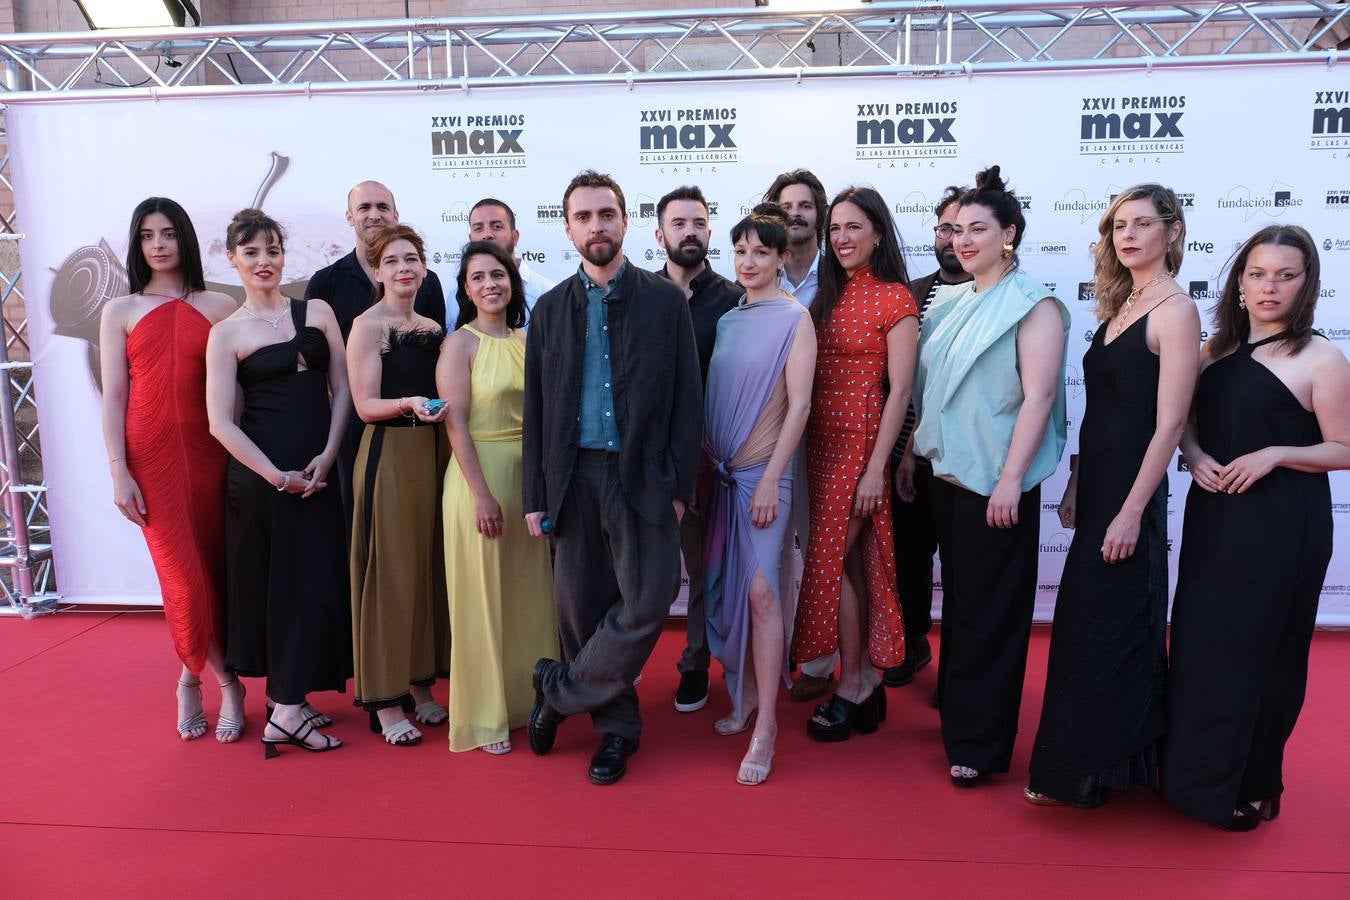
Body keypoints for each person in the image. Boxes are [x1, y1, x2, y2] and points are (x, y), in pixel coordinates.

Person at [1164, 225, 1350, 831]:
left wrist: (1275, 453)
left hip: (1282, 523)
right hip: (1214, 515)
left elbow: (1345, 447)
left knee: (1263, 652)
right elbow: (1185, 426)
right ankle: (1191, 777)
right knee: (1200, 643)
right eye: (1258, 273)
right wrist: (1192, 455)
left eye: (1286, 275)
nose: (1270, 286)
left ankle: (1254, 782)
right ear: (1239, 282)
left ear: (1307, 284)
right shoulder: (1216, 349)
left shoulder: (1321, 357)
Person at [523, 170, 702, 785]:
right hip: (572, 480)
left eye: (607, 214)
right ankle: (616, 730)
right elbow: (539, 412)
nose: (596, 226)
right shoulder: (547, 310)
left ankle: (557, 691)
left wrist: (680, 487)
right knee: (581, 610)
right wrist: (535, 495)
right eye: (584, 217)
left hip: (643, 478)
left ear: (626, 222)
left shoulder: (664, 301)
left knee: (649, 600)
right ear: (568, 227)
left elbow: (687, 400)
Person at [1026, 184, 1199, 808]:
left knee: (1118, 627)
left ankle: (1101, 770)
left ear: (1173, 232)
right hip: (1098, 486)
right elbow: (1103, 411)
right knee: (1083, 626)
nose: (1127, 236)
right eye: (1119, 225)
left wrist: (1131, 512)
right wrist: (1076, 479)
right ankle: (1081, 766)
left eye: (1143, 224)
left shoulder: (1176, 311)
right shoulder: (1121, 304)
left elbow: (1170, 422)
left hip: (1132, 495)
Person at [913, 165, 1069, 787]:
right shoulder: (957, 299)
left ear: (1010, 234)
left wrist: (1010, 480)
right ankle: (962, 716)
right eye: (957, 231)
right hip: (947, 479)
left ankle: (981, 744)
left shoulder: (1034, 304)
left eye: (980, 229)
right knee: (964, 609)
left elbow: (1038, 397)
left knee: (990, 616)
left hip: (995, 488)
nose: (964, 240)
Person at [205, 208, 351, 757]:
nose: (264, 262)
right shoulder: (226, 334)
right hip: (263, 482)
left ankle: (291, 698)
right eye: (252, 253)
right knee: (280, 589)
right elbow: (220, 422)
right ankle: (285, 713)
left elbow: (342, 390)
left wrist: (330, 456)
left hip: (318, 471)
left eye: (272, 250)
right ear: (233, 259)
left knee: (317, 584)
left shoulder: (316, 310)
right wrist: (276, 476)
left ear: (284, 255)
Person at [99, 197, 243, 743]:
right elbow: (114, 397)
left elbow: (243, 392)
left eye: (167, 233)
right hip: (150, 458)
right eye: (146, 235)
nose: (158, 244)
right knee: (183, 579)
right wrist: (119, 470)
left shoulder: (222, 307)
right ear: (137, 245)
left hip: (215, 455)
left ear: (184, 238)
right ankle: (224, 682)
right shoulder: (120, 310)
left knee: (216, 573)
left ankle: (189, 672)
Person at [792, 186, 919, 742]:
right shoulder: (827, 295)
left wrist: (877, 470)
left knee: (833, 559)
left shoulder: (897, 299)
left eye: (853, 228)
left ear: (879, 234)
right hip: (820, 446)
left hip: (861, 448)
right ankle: (861, 680)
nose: (842, 238)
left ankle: (856, 680)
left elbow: (901, 392)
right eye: (835, 229)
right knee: (848, 567)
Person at [704, 205, 816, 784]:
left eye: (762, 253)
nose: (749, 262)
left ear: (782, 258)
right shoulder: (728, 319)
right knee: (730, 593)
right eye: (741, 251)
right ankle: (742, 696)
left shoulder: (796, 320)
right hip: (722, 476)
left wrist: (772, 478)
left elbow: (798, 406)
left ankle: (766, 724)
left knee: (764, 594)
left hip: (765, 479)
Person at [438, 241, 558, 755]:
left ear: (513, 281)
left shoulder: (528, 341)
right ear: (466, 289)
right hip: (477, 480)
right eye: (479, 277)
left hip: (527, 482)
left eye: (499, 274)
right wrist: (480, 494)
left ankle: (523, 702)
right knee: (482, 600)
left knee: (530, 599)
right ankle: (486, 717)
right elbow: (455, 423)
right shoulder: (458, 345)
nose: (491, 284)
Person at [346, 223, 451, 748]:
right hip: (388, 453)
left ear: (425, 268)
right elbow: (365, 406)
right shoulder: (367, 326)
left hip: (431, 455)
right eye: (391, 261)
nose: (403, 268)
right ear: (377, 271)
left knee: (428, 568)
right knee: (390, 573)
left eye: (411, 259)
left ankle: (420, 684)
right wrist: (409, 404)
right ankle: (386, 701)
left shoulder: (434, 328)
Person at [305, 181, 447, 535]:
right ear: (349, 216)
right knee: (375, 531)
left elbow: (432, 364)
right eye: (365, 207)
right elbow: (317, 366)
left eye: (382, 207)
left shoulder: (429, 290)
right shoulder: (325, 283)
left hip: (429, 438)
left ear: (395, 215)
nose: (374, 214)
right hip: (362, 435)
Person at [652, 185, 741, 715]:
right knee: (646, 573)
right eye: (679, 223)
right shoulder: (638, 291)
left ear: (709, 231)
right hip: (648, 459)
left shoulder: (732, 297)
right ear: (659, 233)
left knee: (707, 570)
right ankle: (619, 664)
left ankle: (696, 663)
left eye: (699, 222)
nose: (690, 231)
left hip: (711, 461)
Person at [885, 186, 973, 691]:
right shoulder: (911, 293)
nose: (953, 239)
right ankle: (913, 643)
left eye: (963, 228)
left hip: (966, 457)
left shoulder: (993, 296)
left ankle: (958, 671)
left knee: (963, 569)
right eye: (945, 228)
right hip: (910, 457)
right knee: (909, 558)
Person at [763, 168, 837, 702]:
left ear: (821, 215)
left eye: (806, 205)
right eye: (787, 205)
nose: (796, 213)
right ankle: (770, 651)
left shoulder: (841, 277)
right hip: (766, 439)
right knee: (771, 551)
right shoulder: (754, 274)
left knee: (820, 549)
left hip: (829, 435)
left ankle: (817, 659)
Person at [469, 198, 557, 318]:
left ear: (515, 237)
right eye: (479, 228)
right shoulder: (456, 296)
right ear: (470, 240)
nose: (487, 235)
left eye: (497, 226)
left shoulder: (547, 293)